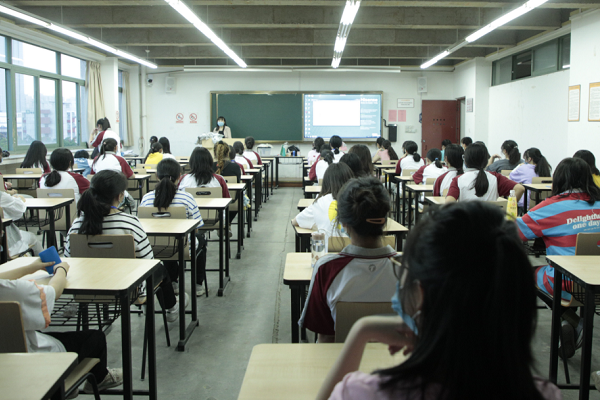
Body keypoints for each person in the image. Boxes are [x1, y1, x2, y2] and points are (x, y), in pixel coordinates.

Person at [316, 202, 561, 400]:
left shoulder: (367, 392)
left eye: (405, 273)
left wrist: (361, 331)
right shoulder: (545, 393)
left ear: (420, 295)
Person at [64, 170, 186, 322]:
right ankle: (171, 308)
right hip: (129, 289)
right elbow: (148, 261)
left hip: (87, 287)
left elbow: (68, 260)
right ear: (120, 196)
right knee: (159, 266)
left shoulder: (77, 225)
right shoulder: (129, 223)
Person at [0, 257, 124, 393]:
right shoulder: (14, 291)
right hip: (31, 365)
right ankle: (87, 382)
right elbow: (54, 291)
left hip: (5, 368)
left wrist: (30, 268)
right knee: (96, 338)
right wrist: (61, 270)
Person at [517, 157, 600, 359]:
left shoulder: (549, 208)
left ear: (558, 179)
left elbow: (512, 234)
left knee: (522, 274)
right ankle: (570, 322)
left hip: (568, 284)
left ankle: (571, 320)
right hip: (597, 284)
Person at [299, 176, 397, 343]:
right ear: (385, 219)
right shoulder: (410, 268)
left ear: (343, 222)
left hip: (345, 364)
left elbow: (325, 337)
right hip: (397, 365)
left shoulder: (326, 269)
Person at [140, 159, 208, 297]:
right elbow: (196, 227)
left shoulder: (147, 198)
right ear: (179, 177)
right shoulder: (186, 198)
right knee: (200, 238)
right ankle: (198, 284)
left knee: (164, 239)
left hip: (153, 248)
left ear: (157, 176)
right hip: (183, 248)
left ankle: (173, 281)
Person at [292, 163, 354, 252]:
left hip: (327, 259)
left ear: (326, 182)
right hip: (356, 256)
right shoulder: (358, 200)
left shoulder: (321, 202)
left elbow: (295, 221)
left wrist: (316, 225)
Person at [446, 142, 524, 203]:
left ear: (465, 160)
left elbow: (449, 203)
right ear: (486, 160)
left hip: (467, 222)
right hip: (492, 222)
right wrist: (508, 208)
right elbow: (520, 189)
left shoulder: (458, 180)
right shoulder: (495, 177)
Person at [0, 148, 43, 256]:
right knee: (33, 238)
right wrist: (18, 197)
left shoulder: (25, 163)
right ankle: (50, 268)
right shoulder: (2, 196)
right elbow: (19, 211)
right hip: (6, 243)